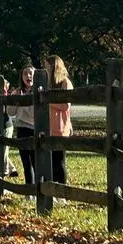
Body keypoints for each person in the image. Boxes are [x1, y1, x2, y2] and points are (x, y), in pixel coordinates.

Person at [44, 55, 73, 201]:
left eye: (48, 66)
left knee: (59, 161)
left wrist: (48, 101)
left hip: (60, 128)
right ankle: (52, 191)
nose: (46, 69)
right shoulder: (46, 84)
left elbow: (65, 105)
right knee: (48, 161)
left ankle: (62, 193)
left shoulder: (64, 83)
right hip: (47, 127)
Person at [8, 65, 36, 189]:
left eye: (30, 73)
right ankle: (29, 188)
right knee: (26, 162)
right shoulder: (18, 91)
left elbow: (33, 114)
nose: (28, 76)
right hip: (22, 129)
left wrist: (23, 103)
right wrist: (14, 99)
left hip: (35, 129)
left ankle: (38, 188)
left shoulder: (39, 92)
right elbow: (10, 112)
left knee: (36, 161)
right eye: (25, 73)